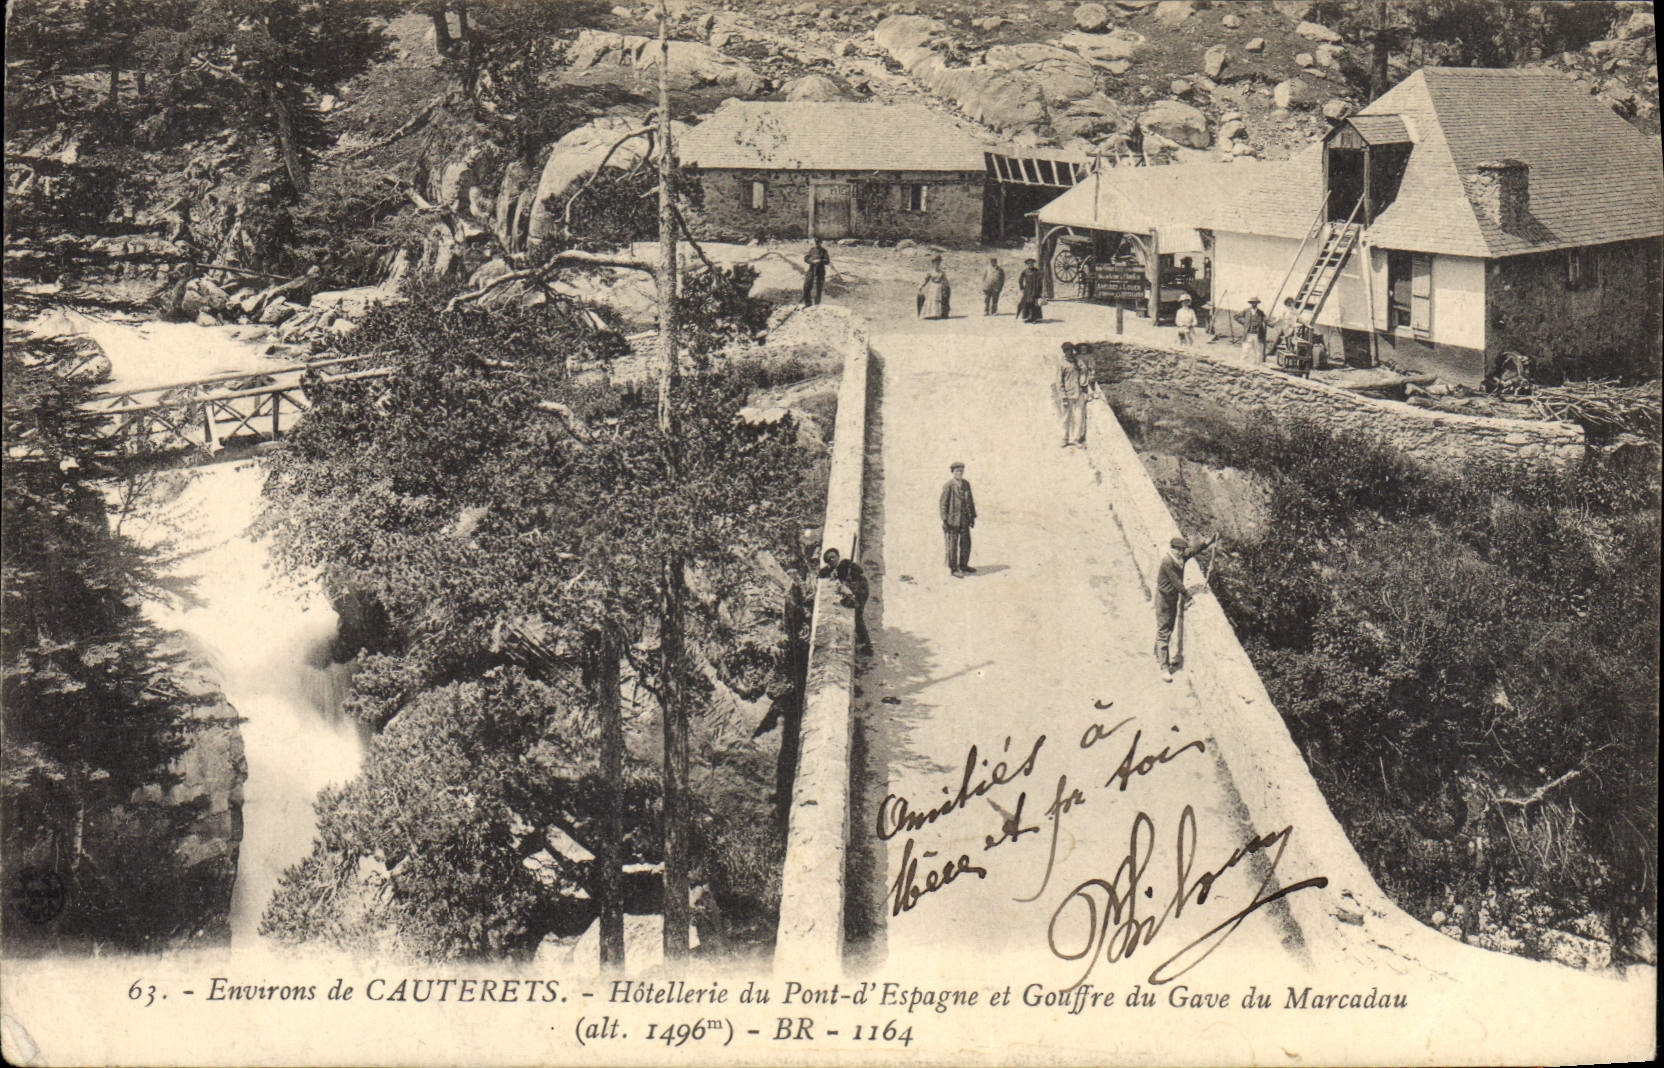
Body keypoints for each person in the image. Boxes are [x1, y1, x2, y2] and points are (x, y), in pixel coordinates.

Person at [1155, 532, 1219, 682]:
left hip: (1172, 598)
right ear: (1174, 549)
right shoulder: (1167, 562)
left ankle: (1158, 653)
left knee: (1168, 627)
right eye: (1180, 550)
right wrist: (1188, 596)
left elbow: (1193, 551)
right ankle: (1164, 668)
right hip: (1164, 600)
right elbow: (1176, 582)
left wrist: (1207, 542)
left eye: (1183, 550)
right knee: (1164, 630)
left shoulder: (1180, 557)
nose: (1183, 553)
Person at [819, 548, 872, 654]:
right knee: (854, 615)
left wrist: (848, 581)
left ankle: (867, 645)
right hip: (853, 593)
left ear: (838, 557)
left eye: (833, 557)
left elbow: (859, 574)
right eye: (829, 559)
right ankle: (862, 641)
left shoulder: (846, 565)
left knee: (857, 616)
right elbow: (822, 575)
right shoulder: (831, 570)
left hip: (860, 591)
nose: (832, 560)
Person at [938, 461, 977, 577]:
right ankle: (954, 569)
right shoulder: (948, 485)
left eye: (961, 471)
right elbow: (943, 504)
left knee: (966, 543)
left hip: (964, 520)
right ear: (952, 472)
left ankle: (964, 565)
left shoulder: (966, 484)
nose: (959, 473)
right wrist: (945, 520)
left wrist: (972, 517)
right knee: (953, 545)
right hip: (952, 521)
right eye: (957, 471)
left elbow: (970, 501)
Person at [1059, 343, 1096, 447]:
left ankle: (1076, 439)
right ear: (1064, 352)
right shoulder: (1062, 364)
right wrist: (1063, 396)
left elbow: (1085, 370)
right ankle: (1064, 439)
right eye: (1067, 351)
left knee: (1079, 418)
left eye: (1070, 350)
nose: (1069, 352)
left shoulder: (1077, 361)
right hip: (1067, 395)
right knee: (1065, 419)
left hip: (1079, 393)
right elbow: (1059, 381)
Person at [1237, 297, 1268, 361]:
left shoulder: (1261, 312)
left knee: (1258, 352)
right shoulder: (1246, 311)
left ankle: (1257, 365)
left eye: (1255, 303)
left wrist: (1274, 322)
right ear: (1250, 303)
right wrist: (1244, 323)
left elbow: (1266, 321)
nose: (1254, 304)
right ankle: (1242, 364)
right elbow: (1236, 316)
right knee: (1245, 350)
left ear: (1257, 303)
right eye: (1252, 302)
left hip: (1258, 335)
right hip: (1248, 334)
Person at [802, 238, 830, 306]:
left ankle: (817, 304)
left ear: (820, 243)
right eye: (816, 243)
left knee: (818, 287)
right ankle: (808, 303)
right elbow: (806, 258)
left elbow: (827, 261)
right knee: (806, 286)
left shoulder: (824, 251)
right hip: (811, 269)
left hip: (820, 270)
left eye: (818, 243)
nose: (817, 244)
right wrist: (811, 261)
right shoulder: (812, 250)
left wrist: (820, 260)